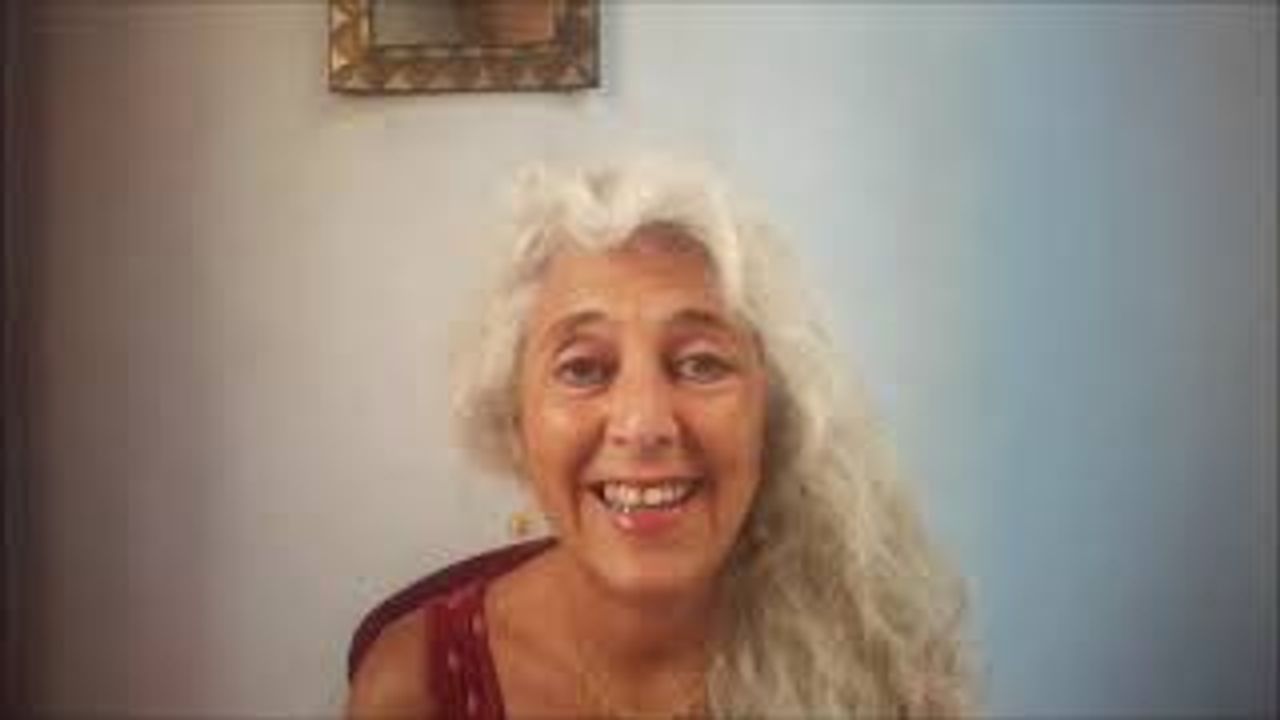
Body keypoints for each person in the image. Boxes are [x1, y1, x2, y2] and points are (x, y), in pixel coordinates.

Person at [345, 157, 976, 719]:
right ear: (515, 418)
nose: (644, 425)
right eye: (583, 369)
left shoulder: (878, 658)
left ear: (773, 412)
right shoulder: (416, 691)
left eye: (701, 363)